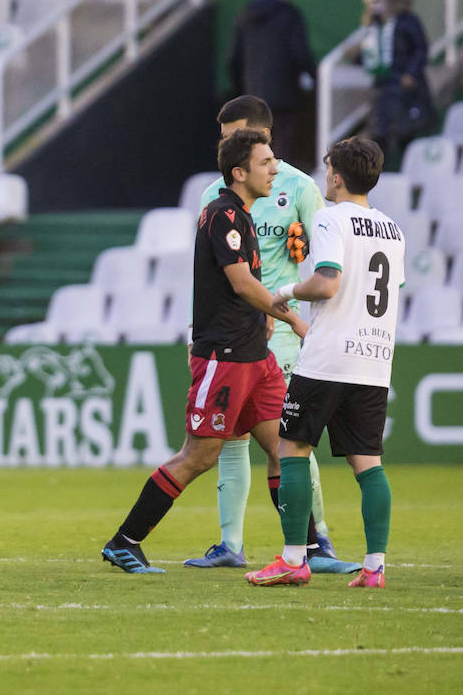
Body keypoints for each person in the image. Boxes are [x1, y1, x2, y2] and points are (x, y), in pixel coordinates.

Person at [101, 129, 308, 574]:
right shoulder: (223, 215)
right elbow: (239, 283)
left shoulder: (243, 215)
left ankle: (309, 550)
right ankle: (124, 541)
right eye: (265, 162)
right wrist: (289, 315)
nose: (275, 169)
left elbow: (245, 286)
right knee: (200, 455)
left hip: (257, 357)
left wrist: (267, 316)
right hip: (226, 357)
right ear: (239, 172)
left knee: (284, 448)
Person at [183, 96, 357, 574]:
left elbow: (326, 256)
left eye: (232, 136)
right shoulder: (211, 197)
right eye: (223, 140)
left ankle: (316, 543)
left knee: (289, 438)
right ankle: (229, 544)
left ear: (260, 135)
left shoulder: (299, 187)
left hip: (281, 330)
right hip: (229, 333)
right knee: (232, 439)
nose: (224, 147)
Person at [247, 137, 404, 588]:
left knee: (291, 449)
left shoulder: (331, 218)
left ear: (335, 175)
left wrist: (288, 292)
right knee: (368, 463)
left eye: (327, 169)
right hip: (373, 361)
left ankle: (295, 558)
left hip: (328, 357)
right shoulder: (393, 230)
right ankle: (375, 567)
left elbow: (329, 282)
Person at [227, 0, 317, 171]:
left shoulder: (245, 13)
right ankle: (279, 193)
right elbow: (300, 52)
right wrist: (315, 78)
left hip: (253, 92)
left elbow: (234, 56)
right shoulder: (290, 13)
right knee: (282, 142)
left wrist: (239, 89)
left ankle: (254, 191)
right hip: (284, 91)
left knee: (255, 144)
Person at [348, 0, 435, 168]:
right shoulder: (373, 26)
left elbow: (420, 48)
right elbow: (372, 57)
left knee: (406, 132)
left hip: (404, 87)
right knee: (379, 133)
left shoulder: (406, 20)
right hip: (382, 86)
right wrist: (356, 57)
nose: (374, 7)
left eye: (378, 1)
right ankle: (382, 176)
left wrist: (411, 73)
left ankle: (410, 172)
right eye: (370, 3)